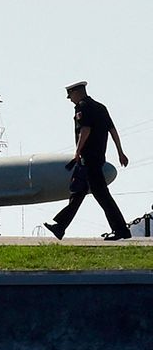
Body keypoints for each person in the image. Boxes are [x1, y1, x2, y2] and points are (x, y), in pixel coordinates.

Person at [45, 81, 132, 241]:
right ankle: (60, 226)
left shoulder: (83, 107)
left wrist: (77, 152)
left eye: (70, 95)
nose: (70, 99)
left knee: (102, 195)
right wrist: (120, 152)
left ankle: (121, 230)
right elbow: (112, 130)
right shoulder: (100, 107)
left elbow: (85, 129)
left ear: (77, 92)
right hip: (97, 158)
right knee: (77, 191)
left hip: (88, 159)